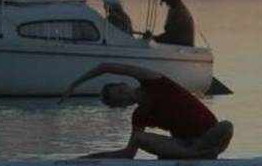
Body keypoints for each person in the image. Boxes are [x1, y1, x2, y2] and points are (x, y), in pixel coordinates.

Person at [62, 62, 233, 159]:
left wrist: (74, 84)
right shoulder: (139, 116)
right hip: (186, 145)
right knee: (140, 138)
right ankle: (195, 154)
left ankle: (198, 152)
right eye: (118, 100)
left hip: (212, 136)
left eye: (120, 91)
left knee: (226, 126)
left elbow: (105, 66)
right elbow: (128, 154)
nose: (123, 97)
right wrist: (87, 158)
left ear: (125, 84)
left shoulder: (152, 80)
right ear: (121, 106)